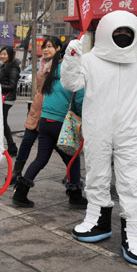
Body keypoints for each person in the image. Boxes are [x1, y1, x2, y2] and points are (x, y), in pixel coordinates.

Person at [62, 10, 137, 266]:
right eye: (117, 32)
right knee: (96, 175)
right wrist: (72, 59)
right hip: (97, 128)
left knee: (130, 180)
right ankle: (97, 219)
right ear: (106, 33)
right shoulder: (92, 60)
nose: (122, 37)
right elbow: (72, 84)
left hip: (129, 131)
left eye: (128, 33)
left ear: (136, 34)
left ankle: (135, 232)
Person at [12, 40, 87, 209]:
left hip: (45, 121)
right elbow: (80, 99)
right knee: (73, 160)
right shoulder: (74, 72)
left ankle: (20, 193)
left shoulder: (53, 69)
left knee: (41, 158)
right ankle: (75, 196)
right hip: (61, 122)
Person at [12, 36, 62, 184]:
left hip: (53, 111)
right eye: (45, 46)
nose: (46, 49)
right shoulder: (42, 65)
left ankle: (72, 178)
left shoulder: (61, 66)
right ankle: (16, 173)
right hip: (37, 109)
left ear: (58, 49)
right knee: (26, 143)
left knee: (63, 149)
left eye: (50, 46)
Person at [0, 46, 20, 156]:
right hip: (1, 97)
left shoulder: (13, 68)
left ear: (10, 55)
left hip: (7, 99)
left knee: (2, 122)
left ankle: (11, 147)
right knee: (2, 122)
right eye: (1, 54)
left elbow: (12, 85)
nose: (2, 56)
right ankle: (10, 147)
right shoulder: (3, 66)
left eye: (5, 54)